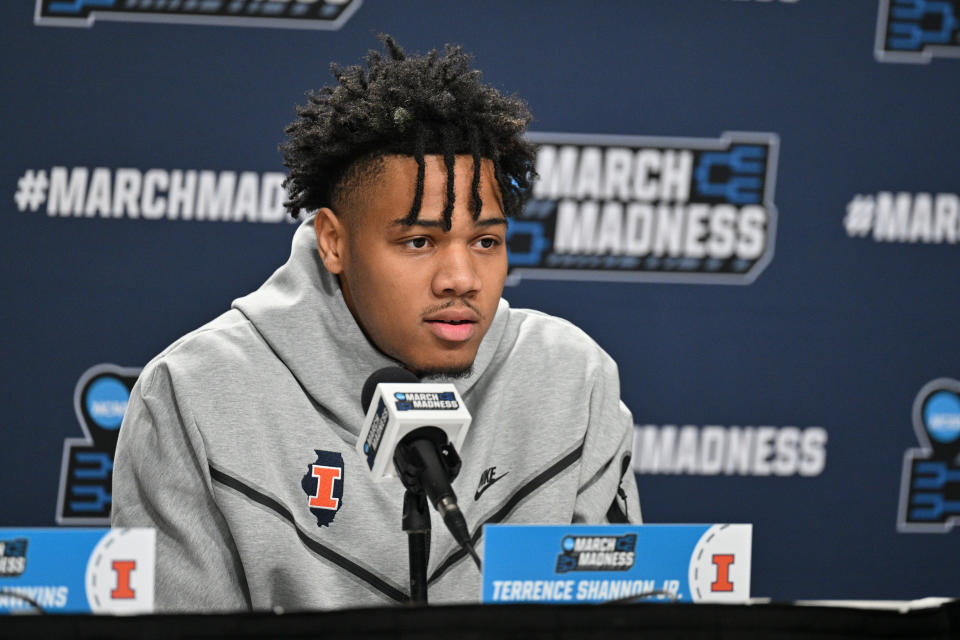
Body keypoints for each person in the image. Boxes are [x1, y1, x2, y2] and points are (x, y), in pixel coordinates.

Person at [112, 36, 641, 613]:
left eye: (486, 241)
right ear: (334, 243)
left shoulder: (570, 378)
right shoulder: (195, 393)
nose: (461, 279)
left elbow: (622, 613)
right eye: (419, 242)